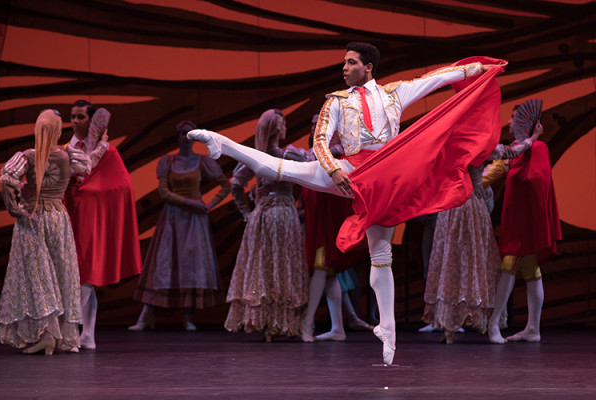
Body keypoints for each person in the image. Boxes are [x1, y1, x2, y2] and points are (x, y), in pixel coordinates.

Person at [188, 43, 505, 365]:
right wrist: (334, 169)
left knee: (381, 253)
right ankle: (222, 142)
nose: (344, 67)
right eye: (344, 63)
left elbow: (436, 79)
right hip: (352, 172)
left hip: (386, 178)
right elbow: (320, 142)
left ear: (367, 67)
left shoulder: (395, 93)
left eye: (350, 62)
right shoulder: (336, 101)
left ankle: (388, 329)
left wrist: (482, 68)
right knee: (281, 168)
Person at [422, 125, 543, 343]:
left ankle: (450, 328)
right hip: (469, 207)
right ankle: (479, 323)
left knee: (453, 260)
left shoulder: (449, 145)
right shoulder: (477, 146)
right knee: (474, 260)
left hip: (450, 208)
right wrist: (533, 138)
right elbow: (511, 152)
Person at [0, 110, 93, 354]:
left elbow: (7, 180)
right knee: (59, 272)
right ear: (58, 131)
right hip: (58, 218)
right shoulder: (68, 155)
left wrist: (15, 209)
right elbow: (86, 168)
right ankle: (59, 335)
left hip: (34, 219)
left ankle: (48, 335)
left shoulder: (29, 156)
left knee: (38, 277)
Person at [128, 121, 230, 331]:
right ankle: (146, 315)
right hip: (174, 216)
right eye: (183, 134)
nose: (186, 138)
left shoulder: (202, 161)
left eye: (190, 134)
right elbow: (164, 192)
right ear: (178, 136)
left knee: (191, 265)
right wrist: (190, 202)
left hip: (194, 220)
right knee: (163, 263)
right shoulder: (168, 161)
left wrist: (209, 204)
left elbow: (226, 185)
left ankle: (187, 316)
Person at [63, 100, 143, 350]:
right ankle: (88, 335)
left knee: (86, 274)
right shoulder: (65, 149)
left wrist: (91, 192)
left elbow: (122, 186)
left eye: (80, 117)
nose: (75, 121)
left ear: (92, 120)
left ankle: (73, 333)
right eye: (72, 117)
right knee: (79, 276)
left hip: (92, 219)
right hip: (70, 215)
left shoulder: (108, 152)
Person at [224, 109, 309, 341]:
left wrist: (247, 212)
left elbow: (236, 185)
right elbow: (311, 165)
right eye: (282, 125)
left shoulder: (257, 156)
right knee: (283, 264)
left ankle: (268, 322)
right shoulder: (287, 155)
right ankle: (279, 323)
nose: (285, 129)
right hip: (281, 213)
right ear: (276, 129)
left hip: (263, 214)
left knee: (264, 265)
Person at [487, 100, 561, 344]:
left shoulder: (537, 148)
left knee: (509, 265)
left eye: (513, 118)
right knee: (531, 271)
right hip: (518, 221)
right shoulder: (518, 148)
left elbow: (538, 180)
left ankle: (494, 323)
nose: (509, 122)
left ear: (526, 123)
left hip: (525, 224)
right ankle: (533, 328)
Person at [300, 113, 371, 342]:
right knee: (328, 274)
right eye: (312, 124)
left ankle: (306, 326)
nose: (314, 128)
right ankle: (338, 327)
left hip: (329, 219)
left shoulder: (339, 154)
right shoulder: (309, 154)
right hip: (316, 217)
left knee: (322, 267)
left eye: (318, 124)